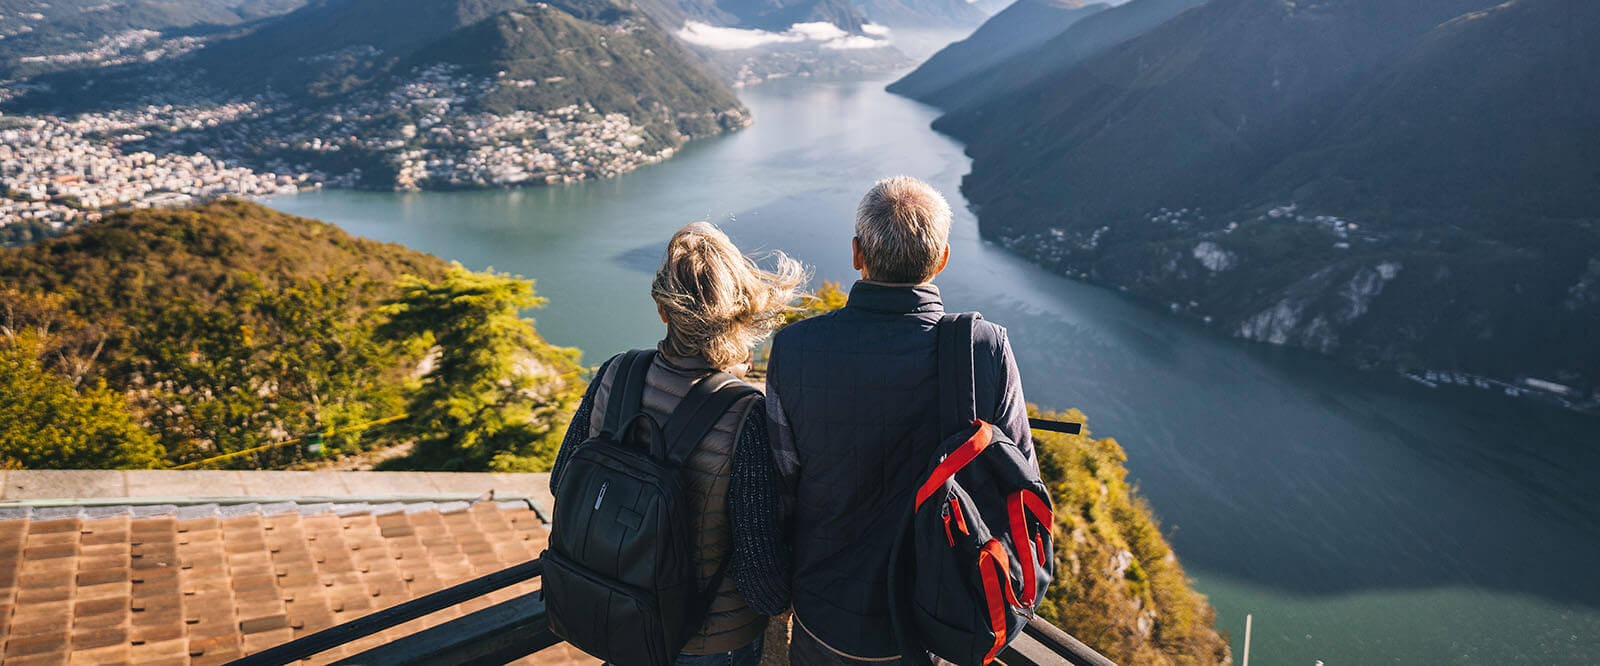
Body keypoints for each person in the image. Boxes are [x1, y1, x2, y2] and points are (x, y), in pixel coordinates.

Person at [766, 176, 1034, 664]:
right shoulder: (984, 349)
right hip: (935, 620)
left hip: (824, 611)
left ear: (856, 253)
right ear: (942, 259)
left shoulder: (794, 349)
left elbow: (783, 486)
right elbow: (1019, 484)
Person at [550, 222, 802, 665]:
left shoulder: (615, 373)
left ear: (663, 311)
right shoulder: (745, 414)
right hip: (710, 639)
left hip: (621, 616)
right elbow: (755, 564)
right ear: (737, 311)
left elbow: (562, 483)